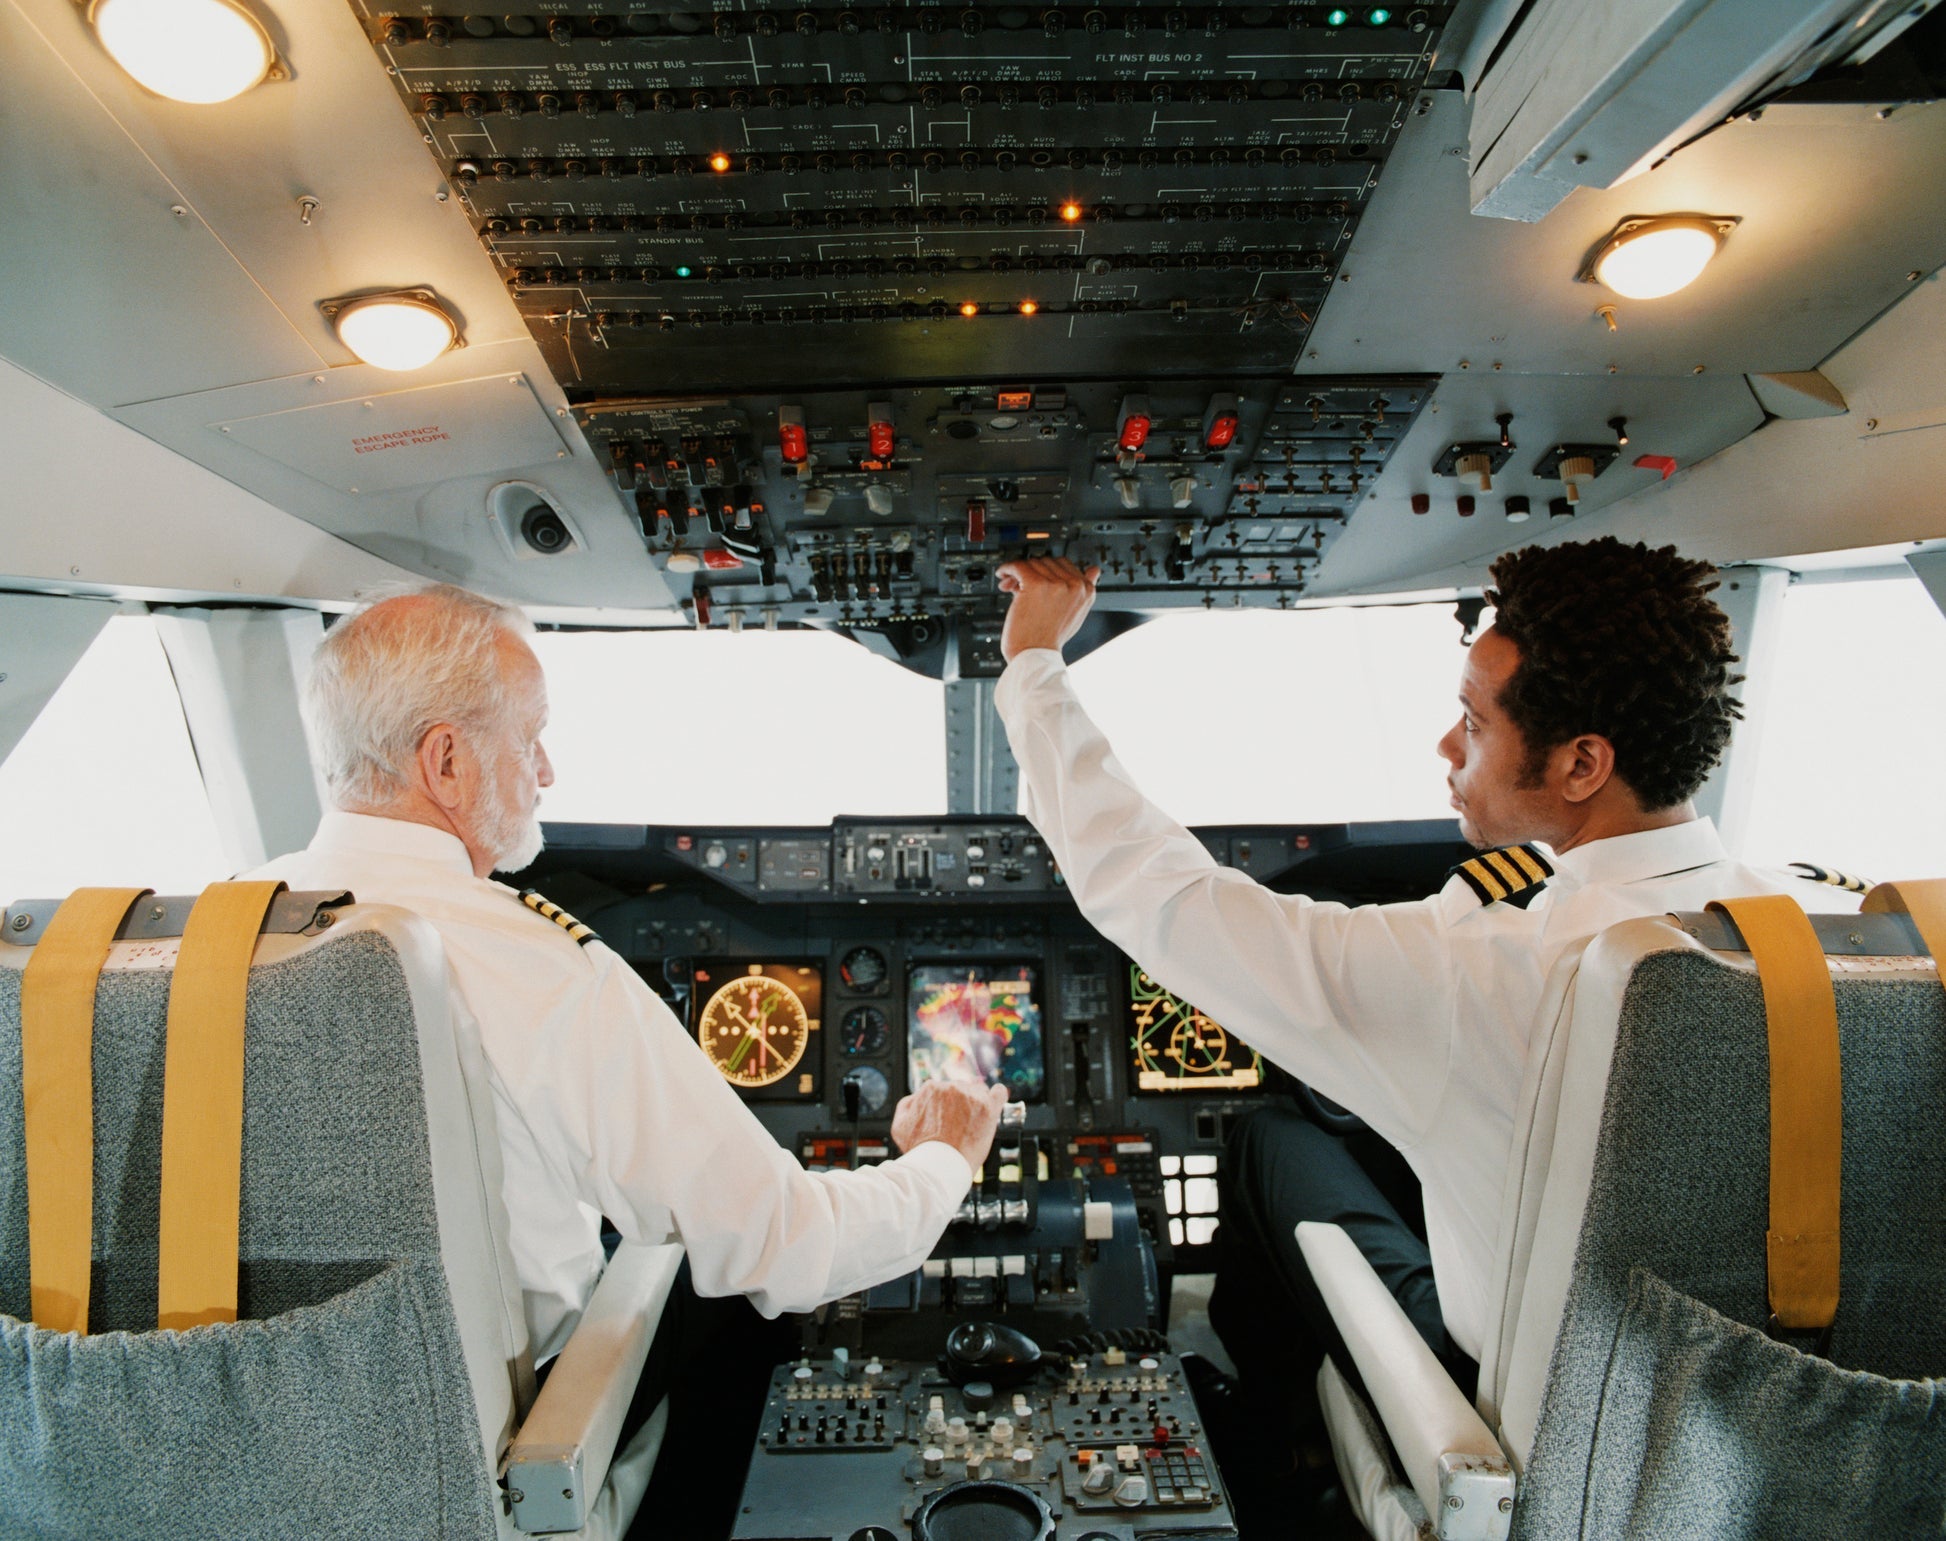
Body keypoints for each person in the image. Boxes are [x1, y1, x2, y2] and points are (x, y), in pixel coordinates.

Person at [992, 538, 1855, 1456]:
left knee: (1267, 1140)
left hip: (1536, 1433)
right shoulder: (1852, 927)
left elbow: (1159, 894)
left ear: (1581, 765)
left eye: (1474, 725)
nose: (1447, 747)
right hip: (1793, 1436)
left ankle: (1271, 1457)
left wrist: (1033, 662)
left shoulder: (1480, 970)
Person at [250, 584, 1005, 1510]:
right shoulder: (534, 964)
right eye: (529, 737)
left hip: (273, 1458)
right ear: (445, 760)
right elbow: (789, 1244)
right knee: (721, 1282)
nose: (547, 769)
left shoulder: (202, 935)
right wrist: (943, 1159)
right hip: (506, 1458)